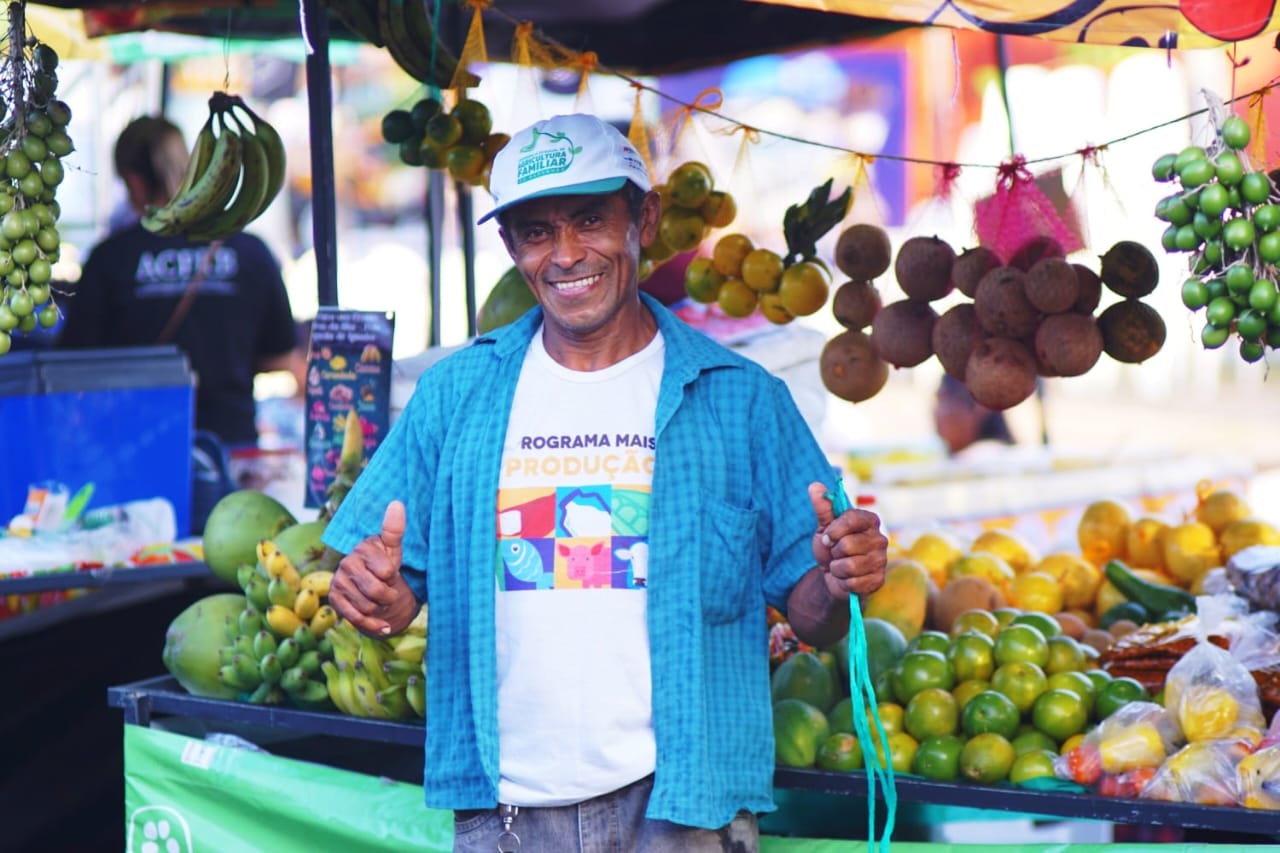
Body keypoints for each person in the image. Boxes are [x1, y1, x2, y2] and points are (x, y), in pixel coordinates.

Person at [321, 113, 888, 852]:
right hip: (508, 815)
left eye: (590, 219)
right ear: (509, 248)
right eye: (535, 232)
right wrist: (374, 594)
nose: (565, 255)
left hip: (683, 811)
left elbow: (816, 616)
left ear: (643, 219)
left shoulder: (741, 399)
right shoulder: (453, 395)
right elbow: (386, 593)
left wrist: (842, 577)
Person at [58, 116, 297, 449]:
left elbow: (74, 367)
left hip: (136, 448)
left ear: (134, 182)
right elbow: (282, 358)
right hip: (231, 450)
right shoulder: (250, 251)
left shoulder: (109, 259)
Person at [933, 374, 1015, 458]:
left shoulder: (989, 456)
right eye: (938, 400)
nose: (937, 411)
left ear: (981, 406)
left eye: (945, 400)